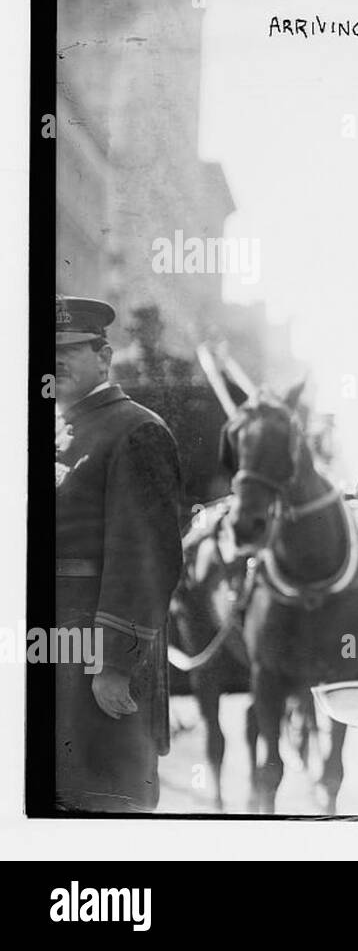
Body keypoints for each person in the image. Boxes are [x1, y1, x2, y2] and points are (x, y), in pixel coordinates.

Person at [53, 295, 184, 811]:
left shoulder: (135, 429)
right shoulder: (56, 431)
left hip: (96, 654)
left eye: (70, 351)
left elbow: (146, 556)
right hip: (51, 646)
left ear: (104, 358)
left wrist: (115, 664)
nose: (55, 362)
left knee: (102, 799)